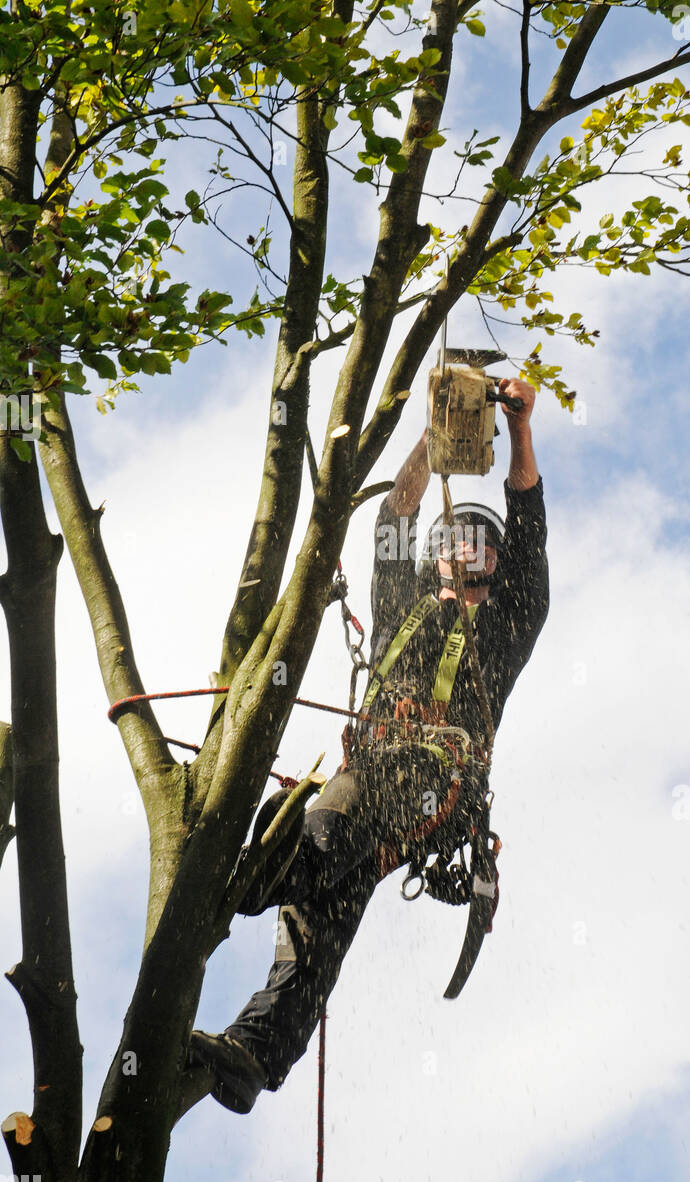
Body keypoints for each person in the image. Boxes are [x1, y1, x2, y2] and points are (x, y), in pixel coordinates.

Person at [187, 377, 548, 1112]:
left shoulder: (509, 624)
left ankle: (270, 870)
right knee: (319, 922)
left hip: (433, 784)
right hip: (366, 785)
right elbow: (398, 509)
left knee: (328, 821)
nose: (467, 549)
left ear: (496, 562)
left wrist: (518, 429)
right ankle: (254, 1055)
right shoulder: (400, 601)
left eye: (483, 543)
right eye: (458, 539)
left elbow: (528, 514)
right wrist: (435, 435)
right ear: (440, 551)